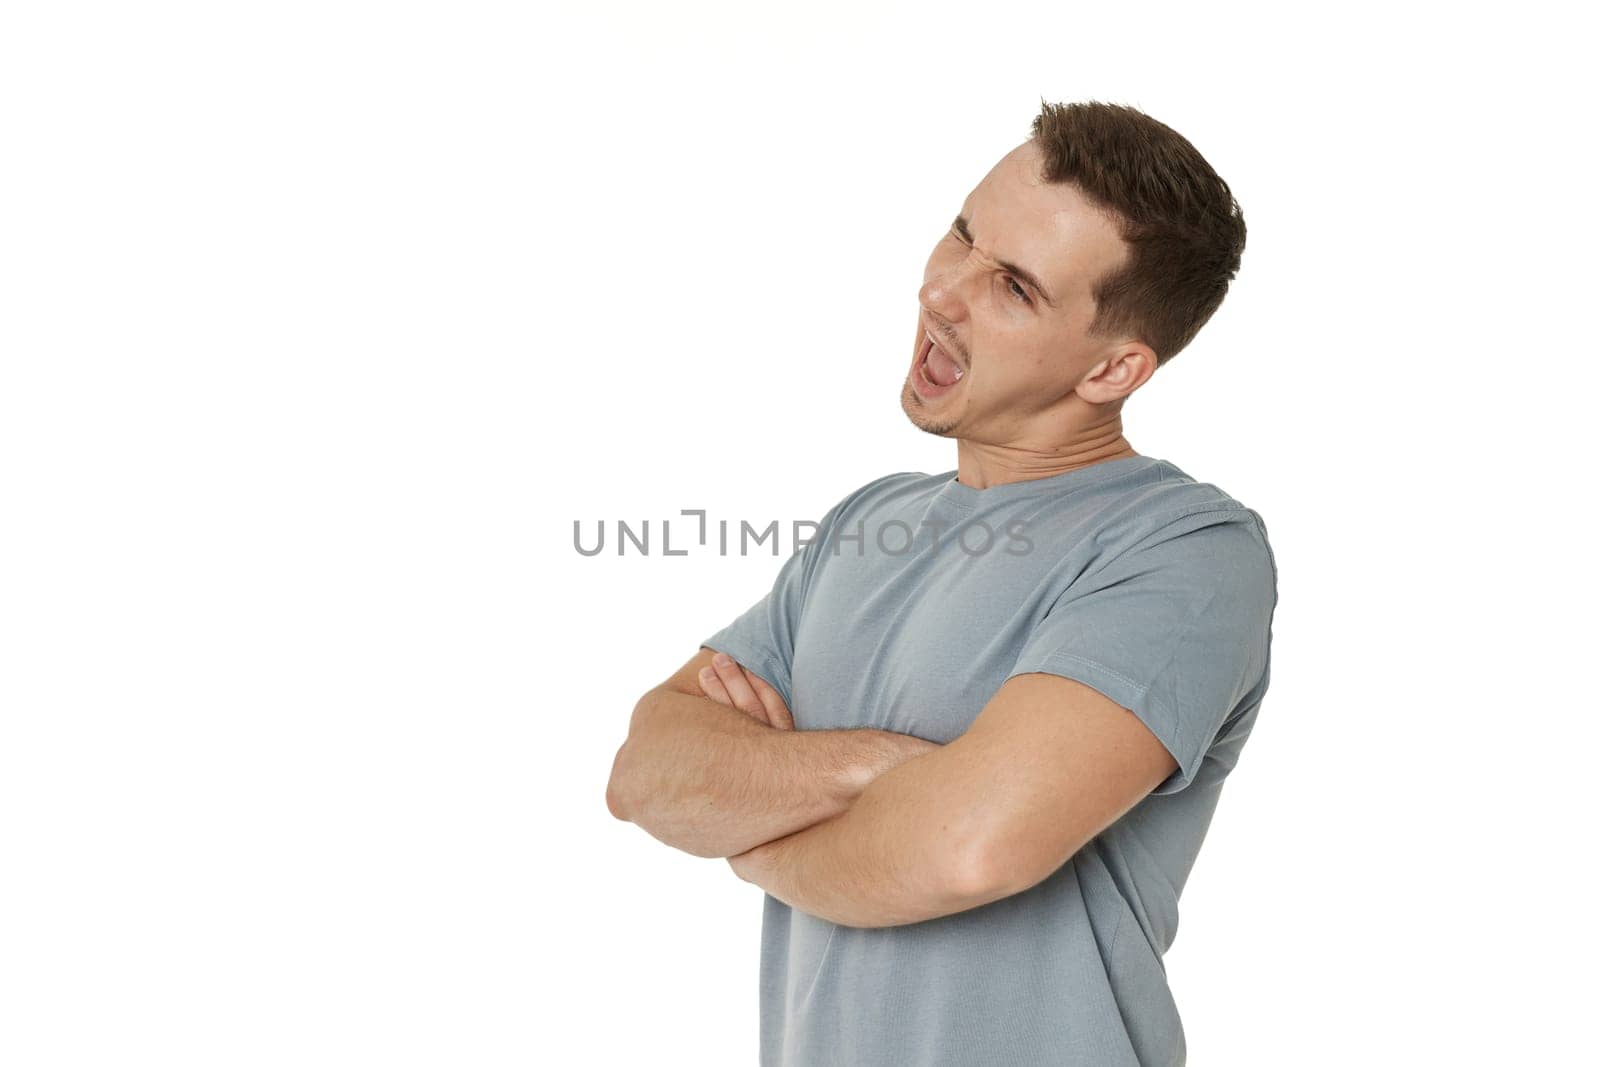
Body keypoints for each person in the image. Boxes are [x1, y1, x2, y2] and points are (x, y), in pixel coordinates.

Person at [605, 99, 1279, 1067]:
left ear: (1113, 367)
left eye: (1012, 287)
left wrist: (751, 837)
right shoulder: (865, 524)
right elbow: (645, 769)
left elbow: (972, 844)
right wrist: (874, 768)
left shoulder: (1184, 550)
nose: (944, 293)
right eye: (964, 231)